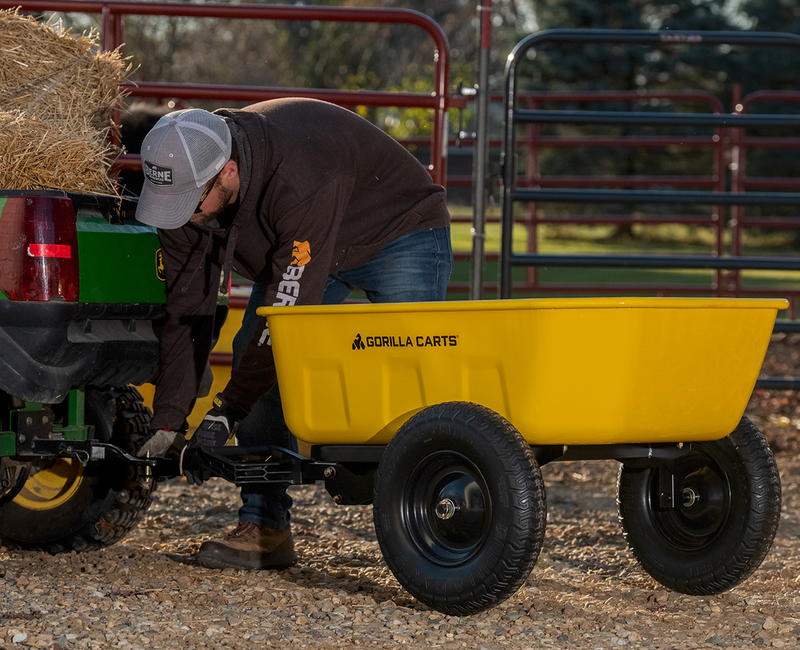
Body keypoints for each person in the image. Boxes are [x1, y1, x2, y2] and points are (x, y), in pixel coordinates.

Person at [134, 98, 452, 571]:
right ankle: (264, 527)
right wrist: (169, 416)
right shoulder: (185, 199)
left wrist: (227, 410)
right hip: (300, 244)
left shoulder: (301, 173)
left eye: (191, 201)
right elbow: (188, 308)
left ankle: (442, 526)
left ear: (229, 171)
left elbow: (283, 319)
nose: (182, 214)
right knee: (252, 350)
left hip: (394, 229)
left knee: (412, 366)